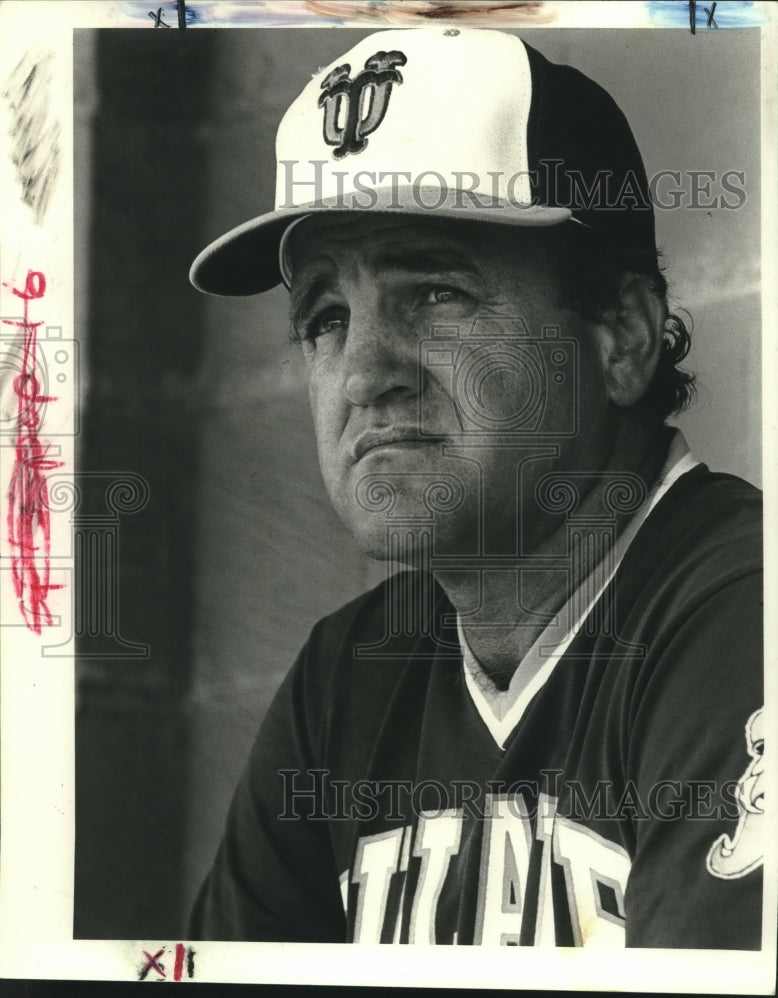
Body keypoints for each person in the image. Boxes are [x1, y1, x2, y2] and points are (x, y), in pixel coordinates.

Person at [187, 27, 763, 948]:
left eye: (437, 291)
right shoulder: (345, 676)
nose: (367, 373)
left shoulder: (746, 610)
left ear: (619, 336)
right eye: (327, 316)